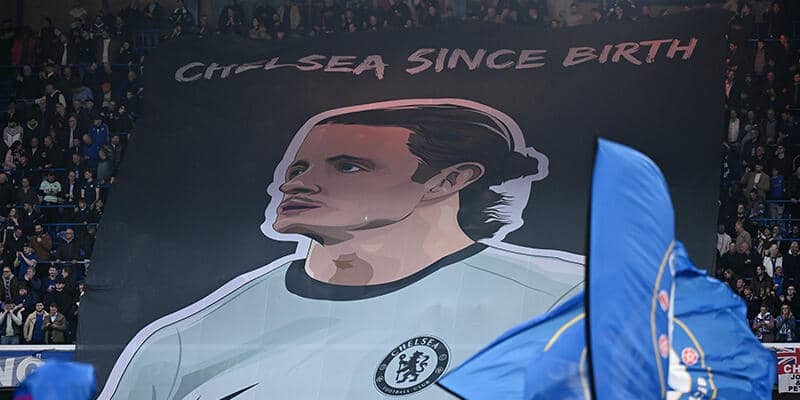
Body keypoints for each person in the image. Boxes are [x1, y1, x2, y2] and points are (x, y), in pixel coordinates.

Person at [102, 100, 583, 400]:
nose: (296, 183)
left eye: (348, 166)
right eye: (299, 168)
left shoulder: (563, 301)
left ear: (448, 180)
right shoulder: (180, 345)